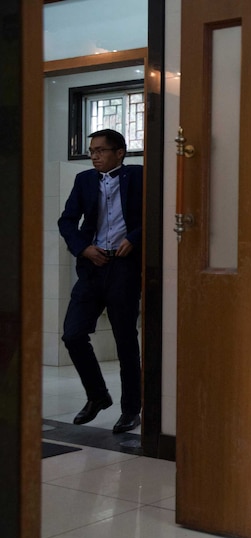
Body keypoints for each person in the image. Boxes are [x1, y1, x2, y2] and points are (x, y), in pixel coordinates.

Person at [58, 129, 144, 434]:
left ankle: (131, 409)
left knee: (125, 341)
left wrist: (134, 238)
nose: (94, 155)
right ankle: (98, 396)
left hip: (124, 268)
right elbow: (67, 220)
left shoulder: (139, 176)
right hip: (93, 266)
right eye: (91, 151)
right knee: (72, 334)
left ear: (119, 152)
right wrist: (83, 247)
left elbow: (155, 212)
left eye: (100, 150)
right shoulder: (84, 180)